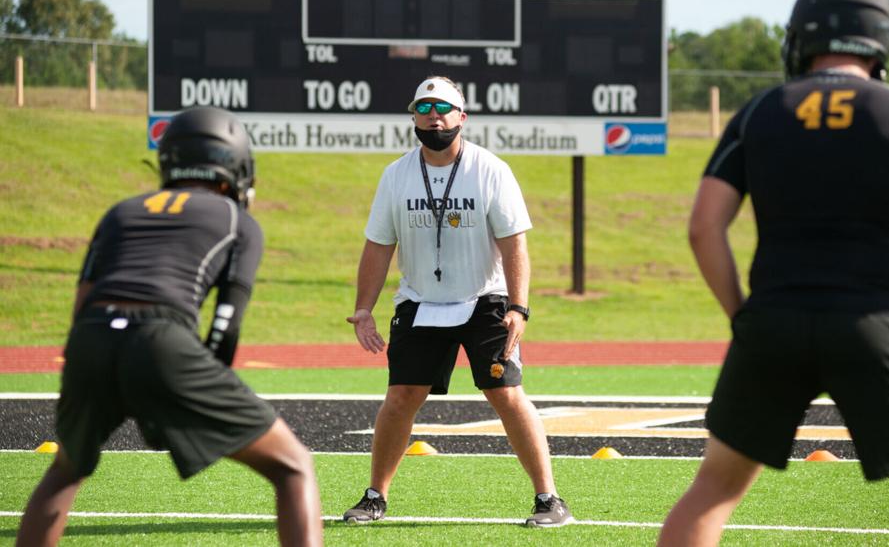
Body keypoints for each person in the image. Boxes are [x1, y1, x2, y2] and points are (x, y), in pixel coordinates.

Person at [658, 0, 889, 546]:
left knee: (713, 490)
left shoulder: (760, 111)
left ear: (803, 38)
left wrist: (743, 314)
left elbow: (702, 228)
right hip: (875, 323)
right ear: (879, 37)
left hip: (772, 321)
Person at [16, 107, 322, 547]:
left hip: (90, 339)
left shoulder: (120, 211)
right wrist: (189, 392)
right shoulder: (239, 221)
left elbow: (82, 306)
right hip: (162, 339)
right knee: (293, 464)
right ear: (234, 164)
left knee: (66, 469)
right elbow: (227, 322)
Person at [343, 76, 573, 527]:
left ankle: (549, 499)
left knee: (505, 393)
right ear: (413, 116)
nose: (434, 115)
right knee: (401, 396)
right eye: (424, 107)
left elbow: (514, 245)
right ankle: (374, 497)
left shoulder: (491, 170)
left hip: (483, 298)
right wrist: (365, 307)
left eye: (443, 107)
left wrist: (518, 306)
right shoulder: (396, 176)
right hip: (420, 300)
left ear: (461, 117)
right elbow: (377, 247)